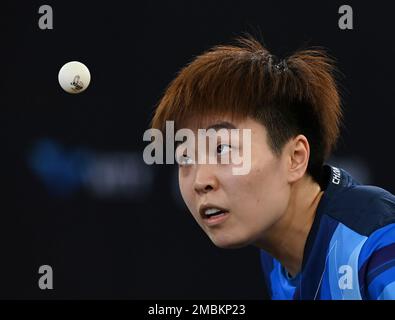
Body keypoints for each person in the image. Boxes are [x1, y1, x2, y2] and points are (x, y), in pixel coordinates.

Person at [150, 35, 395, 300]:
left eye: (222, 149)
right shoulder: (275, 255)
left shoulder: (378, 239)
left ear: (295, 158)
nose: (200, 181)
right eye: (186, 158)